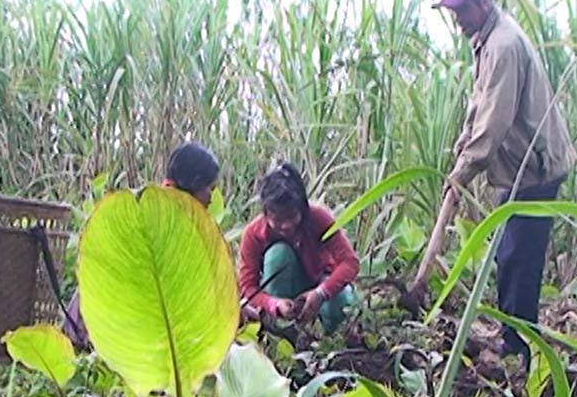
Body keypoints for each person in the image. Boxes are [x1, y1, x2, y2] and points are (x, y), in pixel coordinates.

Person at [419, 0, 576, 367]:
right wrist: (461, 147)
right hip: (519, 166)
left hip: (534, 168)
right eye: (451, 13)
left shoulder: (504, 45)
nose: (456, 21)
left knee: (518, 259)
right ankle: (512, 335)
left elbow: (494, 124)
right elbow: (480, 105)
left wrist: (464, 171)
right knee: (510, 255)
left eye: (460, 10)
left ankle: (518, 348)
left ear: (484, 0)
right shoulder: (488, 40)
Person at [63, 141, 221, 349]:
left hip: (85, 325)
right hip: (110, 332)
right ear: (194, 183)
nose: (211, 199)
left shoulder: (146, 201)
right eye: (210, 189)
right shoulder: (173, 220)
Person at [238, 162, 359, 335]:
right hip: (283, 297)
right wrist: (275, 304)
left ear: (303, 208)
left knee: (340, 299)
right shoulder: (254, 234)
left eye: (292, 216)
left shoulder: (318, 218)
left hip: (322, 284)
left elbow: (350, 262)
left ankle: (332, 339)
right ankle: (283, 333)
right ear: (266, 213)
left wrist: (321, 292)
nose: (286, 225)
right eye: (278, 220)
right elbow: (248, 288)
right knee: (277, 255)